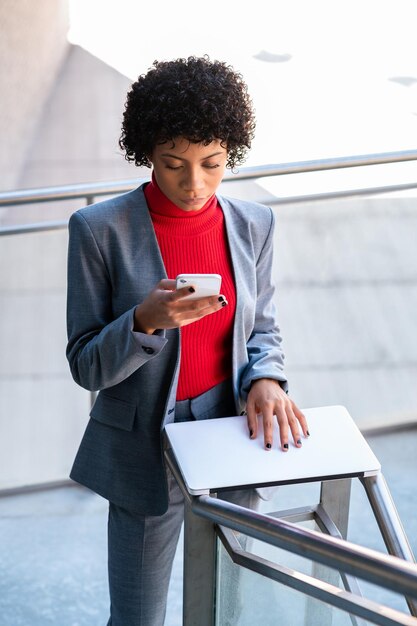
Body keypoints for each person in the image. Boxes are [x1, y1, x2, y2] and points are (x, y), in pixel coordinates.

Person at [66, 55, 309, 626]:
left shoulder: (254, 224)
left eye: (212, 164)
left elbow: (262, 328)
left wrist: (267, 378)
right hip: (145, 443)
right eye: (174, 163)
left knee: (230, 602)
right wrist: (143, 321)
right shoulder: (100, 230)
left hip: (230, 429)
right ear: (147, 150)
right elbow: (85, 365)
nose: (193, 183)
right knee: (138, 615)